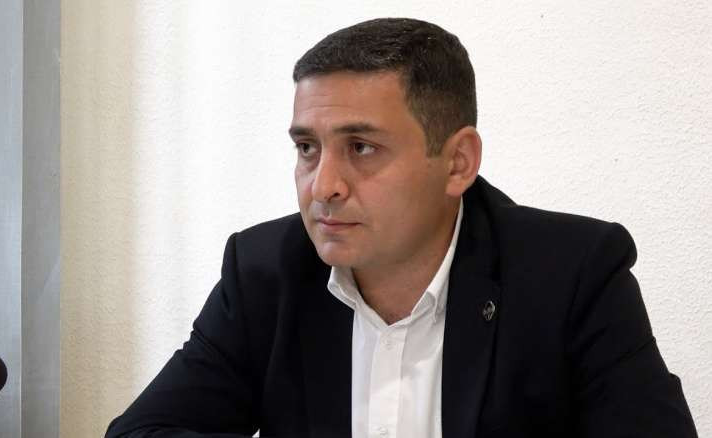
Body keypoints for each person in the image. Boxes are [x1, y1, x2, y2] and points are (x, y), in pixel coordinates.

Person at [105, 18, 697, 438]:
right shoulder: (265, 271)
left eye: (361, 147)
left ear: (458, 163)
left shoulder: (572, 275)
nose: (323, 185)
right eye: (307, 148)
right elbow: (142, 432)